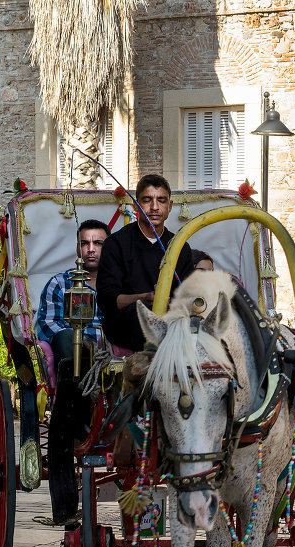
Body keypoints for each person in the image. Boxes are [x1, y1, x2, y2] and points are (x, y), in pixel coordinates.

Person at [36, 220, 108, 525]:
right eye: (84, 243)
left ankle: (74, 422)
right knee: (68, 340)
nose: (90, 249)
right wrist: (87, 342)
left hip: (108, 358)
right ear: (77, 248)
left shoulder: (116, 284)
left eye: (98, 243)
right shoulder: (58, 283)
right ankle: (74, 421)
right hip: (73, 361)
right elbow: (48, 325)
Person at [96, 174, 194, 351]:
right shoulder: (116, 243)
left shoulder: (180, 246)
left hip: (171, 321)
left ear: (170, 206)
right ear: (136, 205)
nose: (154, 207)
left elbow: (188, 296)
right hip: (126, 324)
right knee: (141, 311)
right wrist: (145, 297)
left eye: (161, 200)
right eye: (147, 200)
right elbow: (108, 300)